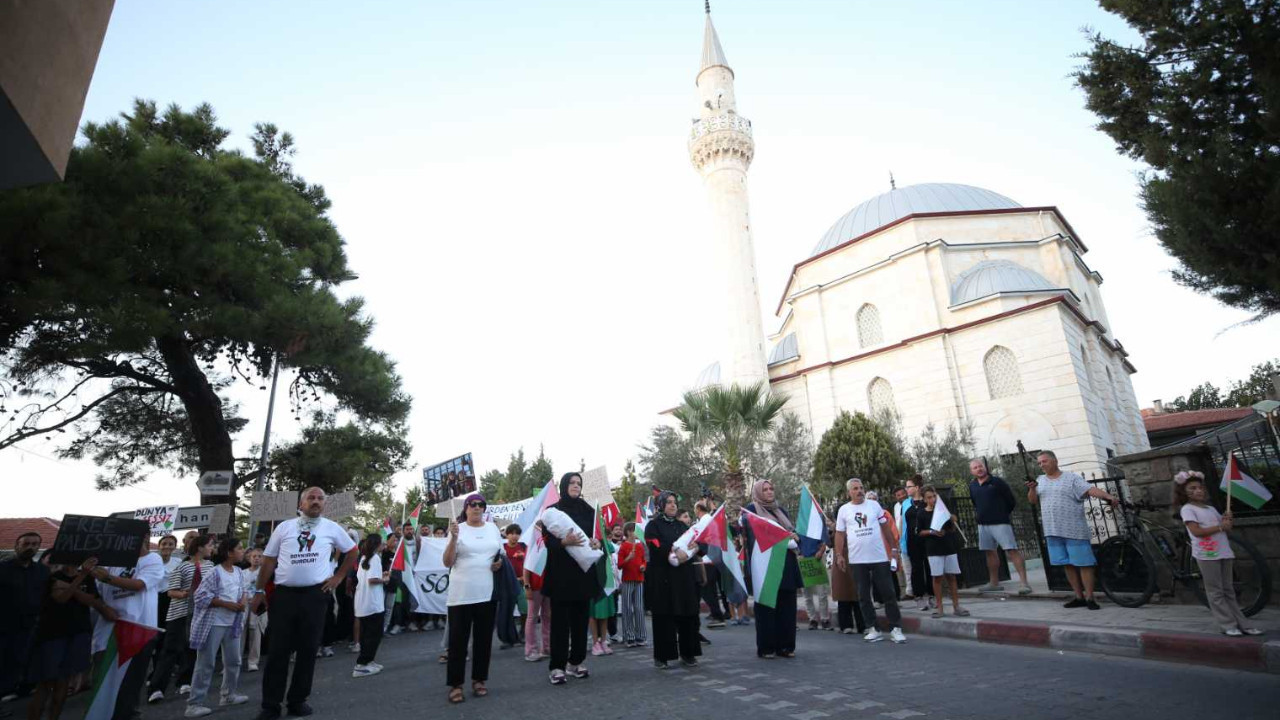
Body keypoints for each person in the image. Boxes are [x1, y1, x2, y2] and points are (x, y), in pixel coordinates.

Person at [250, 487, 358, 720]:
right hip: (285, 596)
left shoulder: (332, 527)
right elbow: (269, 561)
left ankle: (298, 701)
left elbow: (352, 551)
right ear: (301, 504)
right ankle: (271, 705)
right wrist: (259, 590)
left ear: (325, 505)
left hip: (315, 596)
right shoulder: (284, 527)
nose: (316, 501)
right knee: (278, 650)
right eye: (311, 498)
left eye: (320, 499)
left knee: (308, 649)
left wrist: (338, 577)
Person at [1174, 471, 1264, 636]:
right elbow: (1196, 531)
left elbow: (1222, 527)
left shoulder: (1211, 509)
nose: (1198, 491)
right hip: (1207, 555)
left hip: (1224, 551)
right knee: (1216, 591)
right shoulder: (1187, 509)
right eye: (1192, 488)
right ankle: (1227, 624)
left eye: (1200, 487)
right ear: (1184, 492)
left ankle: (1243, 623)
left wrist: (1226, 520)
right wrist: (1221, 527)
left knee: (1228, 590)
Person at [1027, 450, 1118, 610]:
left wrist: (1108, 497)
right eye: (1039, 463)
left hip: (1074, 530)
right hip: (1053, 531)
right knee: (1067, 564)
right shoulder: (1040, 480)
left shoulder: (1071, 478)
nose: (1041, 465)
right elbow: (1033, 501)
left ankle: (1090, 598)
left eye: (1044, 461)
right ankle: (1079, 596)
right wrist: (1032, 489)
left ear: (1055, 461)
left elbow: (1089, 489)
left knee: (1084, 564)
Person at [25, 556, 111, 720]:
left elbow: (89, 600)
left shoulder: (87, 578)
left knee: (64, 680)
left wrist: (71, 585)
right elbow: (61, 599)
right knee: (45, 682)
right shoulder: (53, 577)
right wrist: (79, 579)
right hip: (53, 635)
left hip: (77, 633)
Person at [89, 536, 166, 720]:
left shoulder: (152, 559)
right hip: (108, 631)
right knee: (104, 686)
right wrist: (103, 607)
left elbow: (139, 585)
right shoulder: (110, 562)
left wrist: (108, 578)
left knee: (130, 686)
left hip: (138, 630)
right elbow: (94, 592)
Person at [538, 472, 600, 686]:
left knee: (581, 621)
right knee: (561, 623)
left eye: (578, 483)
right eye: (572, 483)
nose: (575, 486)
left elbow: (598, 535)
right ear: (563, 486)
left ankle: (576, 662)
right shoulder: (552, 511)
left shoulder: (588, 510)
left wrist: (597, 543)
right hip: (561, 575)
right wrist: (564, 542)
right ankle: (557, 666)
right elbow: (546, 541)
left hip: (583, 574)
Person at [443, 493, 503, 704]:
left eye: (481, 505)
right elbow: (447, 562)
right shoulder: (457, 529)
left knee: (483, 641)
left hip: (486, 593)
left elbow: (499, 555)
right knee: (458, 642)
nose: (477, 508)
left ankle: (479, 680)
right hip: (461, 595)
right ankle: (456, 685)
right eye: (473, 504)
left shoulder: (492, 529)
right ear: (466, 508)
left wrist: (498, 564)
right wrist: (453, 539)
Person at [834, 478, 906, 644]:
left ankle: (896, 628)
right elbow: (839, 534)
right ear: (848, 492)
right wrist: (839, 555)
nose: (859, 491)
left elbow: (885, 528)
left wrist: (894, 549)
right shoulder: (844, 510)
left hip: (879, 558)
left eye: (861, 488)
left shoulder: (874, 506)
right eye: (855, 489)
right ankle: (873, 628)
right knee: (863, 595)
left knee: (888, 593)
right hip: (857, 560)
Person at [185, 537, 250, 717]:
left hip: (233, 623)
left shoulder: (238, 571)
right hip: (214, 624)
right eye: (239, 548)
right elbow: (200, 597)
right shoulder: (214, 572)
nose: (242, 551)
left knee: (234, 661)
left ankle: (228, 694)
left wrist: (242, 601)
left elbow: (244, 590)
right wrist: (226, 604)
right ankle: (194, 704)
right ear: (229, 552)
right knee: (206, 663)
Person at [148, 534, 213, 703]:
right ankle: (156, 688)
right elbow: (171, 591)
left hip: (199, 614)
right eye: (209, 545)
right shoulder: (182, 567)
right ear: (200, 548)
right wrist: (185, 594)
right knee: (170, 649)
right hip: (179, 613)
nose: (212, 548)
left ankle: (185, 680)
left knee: (191, 648)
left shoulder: (211, 566)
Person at [743, 480, 803, 658]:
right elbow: (756, 533)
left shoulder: (780, 510)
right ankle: (767, 647)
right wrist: (783, 539)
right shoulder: (751, 510)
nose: (769, 492)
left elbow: (791, 532)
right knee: (767, 607)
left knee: (787, 606)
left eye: (771, 488)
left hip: (786, 563)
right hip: (766, 566)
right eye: (765, 489)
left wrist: (793, 536)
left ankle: (785, 646)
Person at [644, 492, 702, 669]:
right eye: (668, 502)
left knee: (688, 614)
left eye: (674, 502)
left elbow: (696, 544)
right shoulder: (653, 526)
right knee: (664, 616)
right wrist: (674, 552)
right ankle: (663, 656)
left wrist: (693, 549)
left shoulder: (682, 526)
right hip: (664, 578)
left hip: (684, 577)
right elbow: (655, 546)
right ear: (660, 505)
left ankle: (688, 653)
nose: (672, 505)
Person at [969, 458, 1033, 594]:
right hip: (983, 525)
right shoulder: (972, 486)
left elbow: (1011, 501)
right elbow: (975, 502)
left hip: (1001, 523)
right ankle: (994, 583)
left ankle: (1024, 583)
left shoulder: (997, 482)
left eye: (980, 466)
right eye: (975, 468)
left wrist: (1001, 513)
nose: (979, 469)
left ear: (985, 467)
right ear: (971, 471)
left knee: (1012, 550)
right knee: (990, 552)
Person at [0, 532, 50, 704]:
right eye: (26, 543)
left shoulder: (42, 572)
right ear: (17, 546)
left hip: (27, 628)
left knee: (15, 665)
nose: (31, 547)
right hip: (4, 626)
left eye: (35, 544)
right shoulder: (3, 569)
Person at [915, 486, 969, 618]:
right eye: (929, 497)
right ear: (924, 499)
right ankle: (940, 608)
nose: (932, 499)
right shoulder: (921, 513)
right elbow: (919, 532)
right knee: (937, 578)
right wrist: (932, 532)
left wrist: (952, 520)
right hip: (933, 550)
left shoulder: (943, 510)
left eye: (934, 496)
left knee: (952, 577)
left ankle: (956, 606)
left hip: (949, 547)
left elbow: (952, 529)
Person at [353, 534, 388, 677]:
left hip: (363, 602)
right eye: (382, 543)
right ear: (377, 544)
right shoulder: (375, 558)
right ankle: (362, 664)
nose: (384, 544)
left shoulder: (364, 558)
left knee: (367, 633)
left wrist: (381, 575)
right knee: (373, 635)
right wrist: (385, 579)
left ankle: (369, 661)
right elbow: (372, 580)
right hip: (372, 603)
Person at [899, 476, 933, 611]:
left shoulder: (927, 502)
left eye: (909, 486)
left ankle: (932, 595)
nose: (906, 489)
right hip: (912, 541)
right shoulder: (906, 504)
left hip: (928, 539)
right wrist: (901, 541)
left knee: (930, 567)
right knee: (916, 569)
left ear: (917, 488)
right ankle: (918, 596)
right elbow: (902, 523)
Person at [693, 501, 728, 630]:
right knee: (712, 589)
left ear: (698, 509)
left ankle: (717, 615)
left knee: (707, 589)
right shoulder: (710, 519)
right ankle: (718, 614)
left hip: (708, 559)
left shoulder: (704, 521)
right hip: (715, 558)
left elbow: (699, 538)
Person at [617, 522, 647, 647]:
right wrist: (628, 558)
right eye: (635, 531)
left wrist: (643, 566)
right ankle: (629, 636)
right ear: (629, 532)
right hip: (627, 580)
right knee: (627, 608)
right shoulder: (623, 547)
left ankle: (641, 636)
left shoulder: (640, 546)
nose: (636, 534)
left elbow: (644, 560)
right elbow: (619, 565)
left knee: (639, 608)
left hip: (639, 579)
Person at [521, 547, 551, 662]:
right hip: (534, 586)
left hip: (548, 585)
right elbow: (526, 567)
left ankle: (547, 647)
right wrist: (527, 585)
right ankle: (531, 650)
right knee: (532, 617)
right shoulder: (533, 544)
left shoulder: (550, 542)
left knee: (547, 616)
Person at [242, 548, 267, 673]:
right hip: (244, 605)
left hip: (258, 605)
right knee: (240, 633)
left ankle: (253, 661)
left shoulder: (265, 573)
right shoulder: (242, 572)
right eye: (254, 556)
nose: (256, 558)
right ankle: (235, 661)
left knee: (255, 633)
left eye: (259, 556)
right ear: (249, 558)